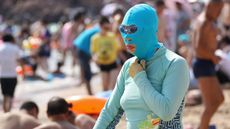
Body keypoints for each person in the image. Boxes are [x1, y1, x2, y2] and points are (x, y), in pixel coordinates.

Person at [93, 4, 189, 129]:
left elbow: (167, 113)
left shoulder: (175, 63)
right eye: (123, 29)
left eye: (132, 29)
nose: (127, 36)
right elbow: (109, 113)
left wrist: (139, 77)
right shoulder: (129, 65)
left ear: (149, 29)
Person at [192, 0, 225, 129]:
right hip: (203, 64)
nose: (219, 13)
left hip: (206, 63)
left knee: (216, 100)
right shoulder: (204, 22)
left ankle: (204, 126)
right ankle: (202, 127)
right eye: (218, 10)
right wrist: (213, 56)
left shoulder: (206, 21)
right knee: (214, 102)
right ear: (210, 6)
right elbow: (198, 48)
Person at [91, 16, 119, 91]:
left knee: (113, 87)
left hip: (113, 63)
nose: (106, 29)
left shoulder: (112, 36)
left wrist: (120, 62)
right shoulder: (95, 38)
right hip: (102, 64)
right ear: (100, 26)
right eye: (105, 27)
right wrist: (95, 59)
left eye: (108, 26)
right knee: (105, 87)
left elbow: (117, 50)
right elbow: (93, 52)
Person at [73, 26, 100, 95]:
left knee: (84, 69)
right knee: (87, 72)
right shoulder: (99, 32)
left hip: (79, 46)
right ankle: (90, 93)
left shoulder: (97, 29)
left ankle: (83, 82)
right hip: (83, 49)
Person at [0, 34, 23, 112]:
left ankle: (4, 111)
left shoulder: (0, 48)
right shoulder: (15, 48)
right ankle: (8, 111)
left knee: (5, 94)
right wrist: (23, 72)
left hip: (2, 75)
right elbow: (20, 60)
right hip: (12, 74)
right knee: (10, 94)